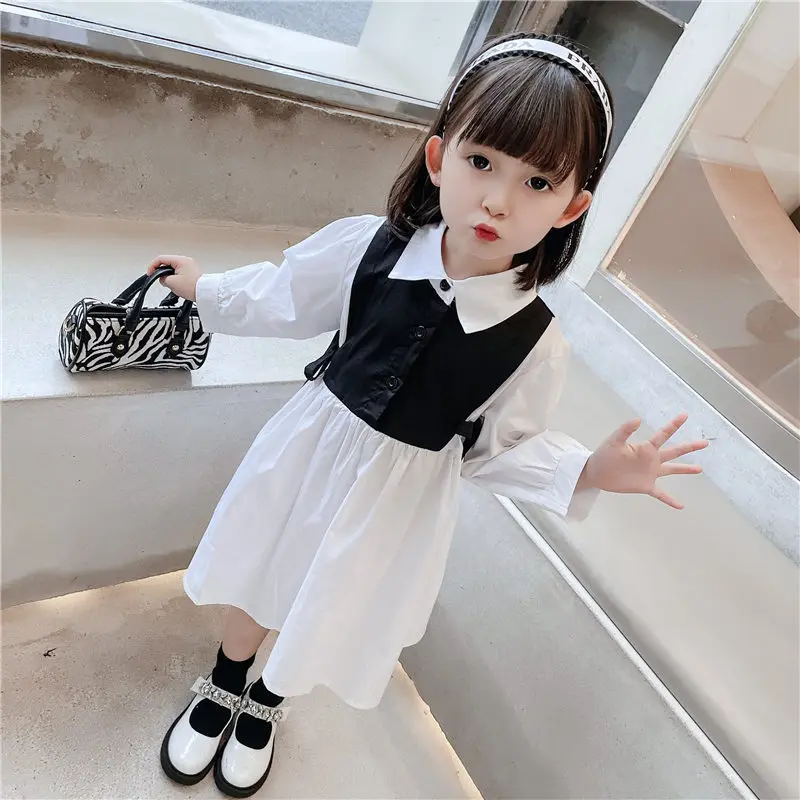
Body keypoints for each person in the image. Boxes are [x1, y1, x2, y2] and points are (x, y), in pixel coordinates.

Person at [150, 33, 708, 797]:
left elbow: (498, 448)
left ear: (572, 206)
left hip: (398, 500)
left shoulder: (533, 342)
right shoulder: (369, 248)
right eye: (482, 162)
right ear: (440, 157)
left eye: (537, 181)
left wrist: (589, 470)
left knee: (328, 598)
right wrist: (206, 288)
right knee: (265, 567)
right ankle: (223, 682)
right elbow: (285, 295)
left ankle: (265, 703)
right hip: (310, 452)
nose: (499, 200)